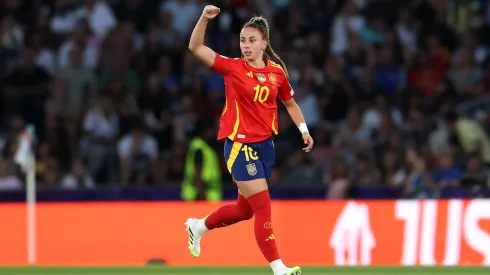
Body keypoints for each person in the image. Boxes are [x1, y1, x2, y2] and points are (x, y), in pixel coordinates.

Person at [184, 5, 313, 275]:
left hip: (266, 147)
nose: (246, 46)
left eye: (252, 40)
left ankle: (198, 226)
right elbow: (196, 47)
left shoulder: (277, 72)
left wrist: (303, 129)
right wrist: (204, 19)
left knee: (245, 211)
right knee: (263, 207)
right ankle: (278, 268)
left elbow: (290, 104)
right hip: (240, 146)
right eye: (242, 40)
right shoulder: (232, 69)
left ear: (264, 42)